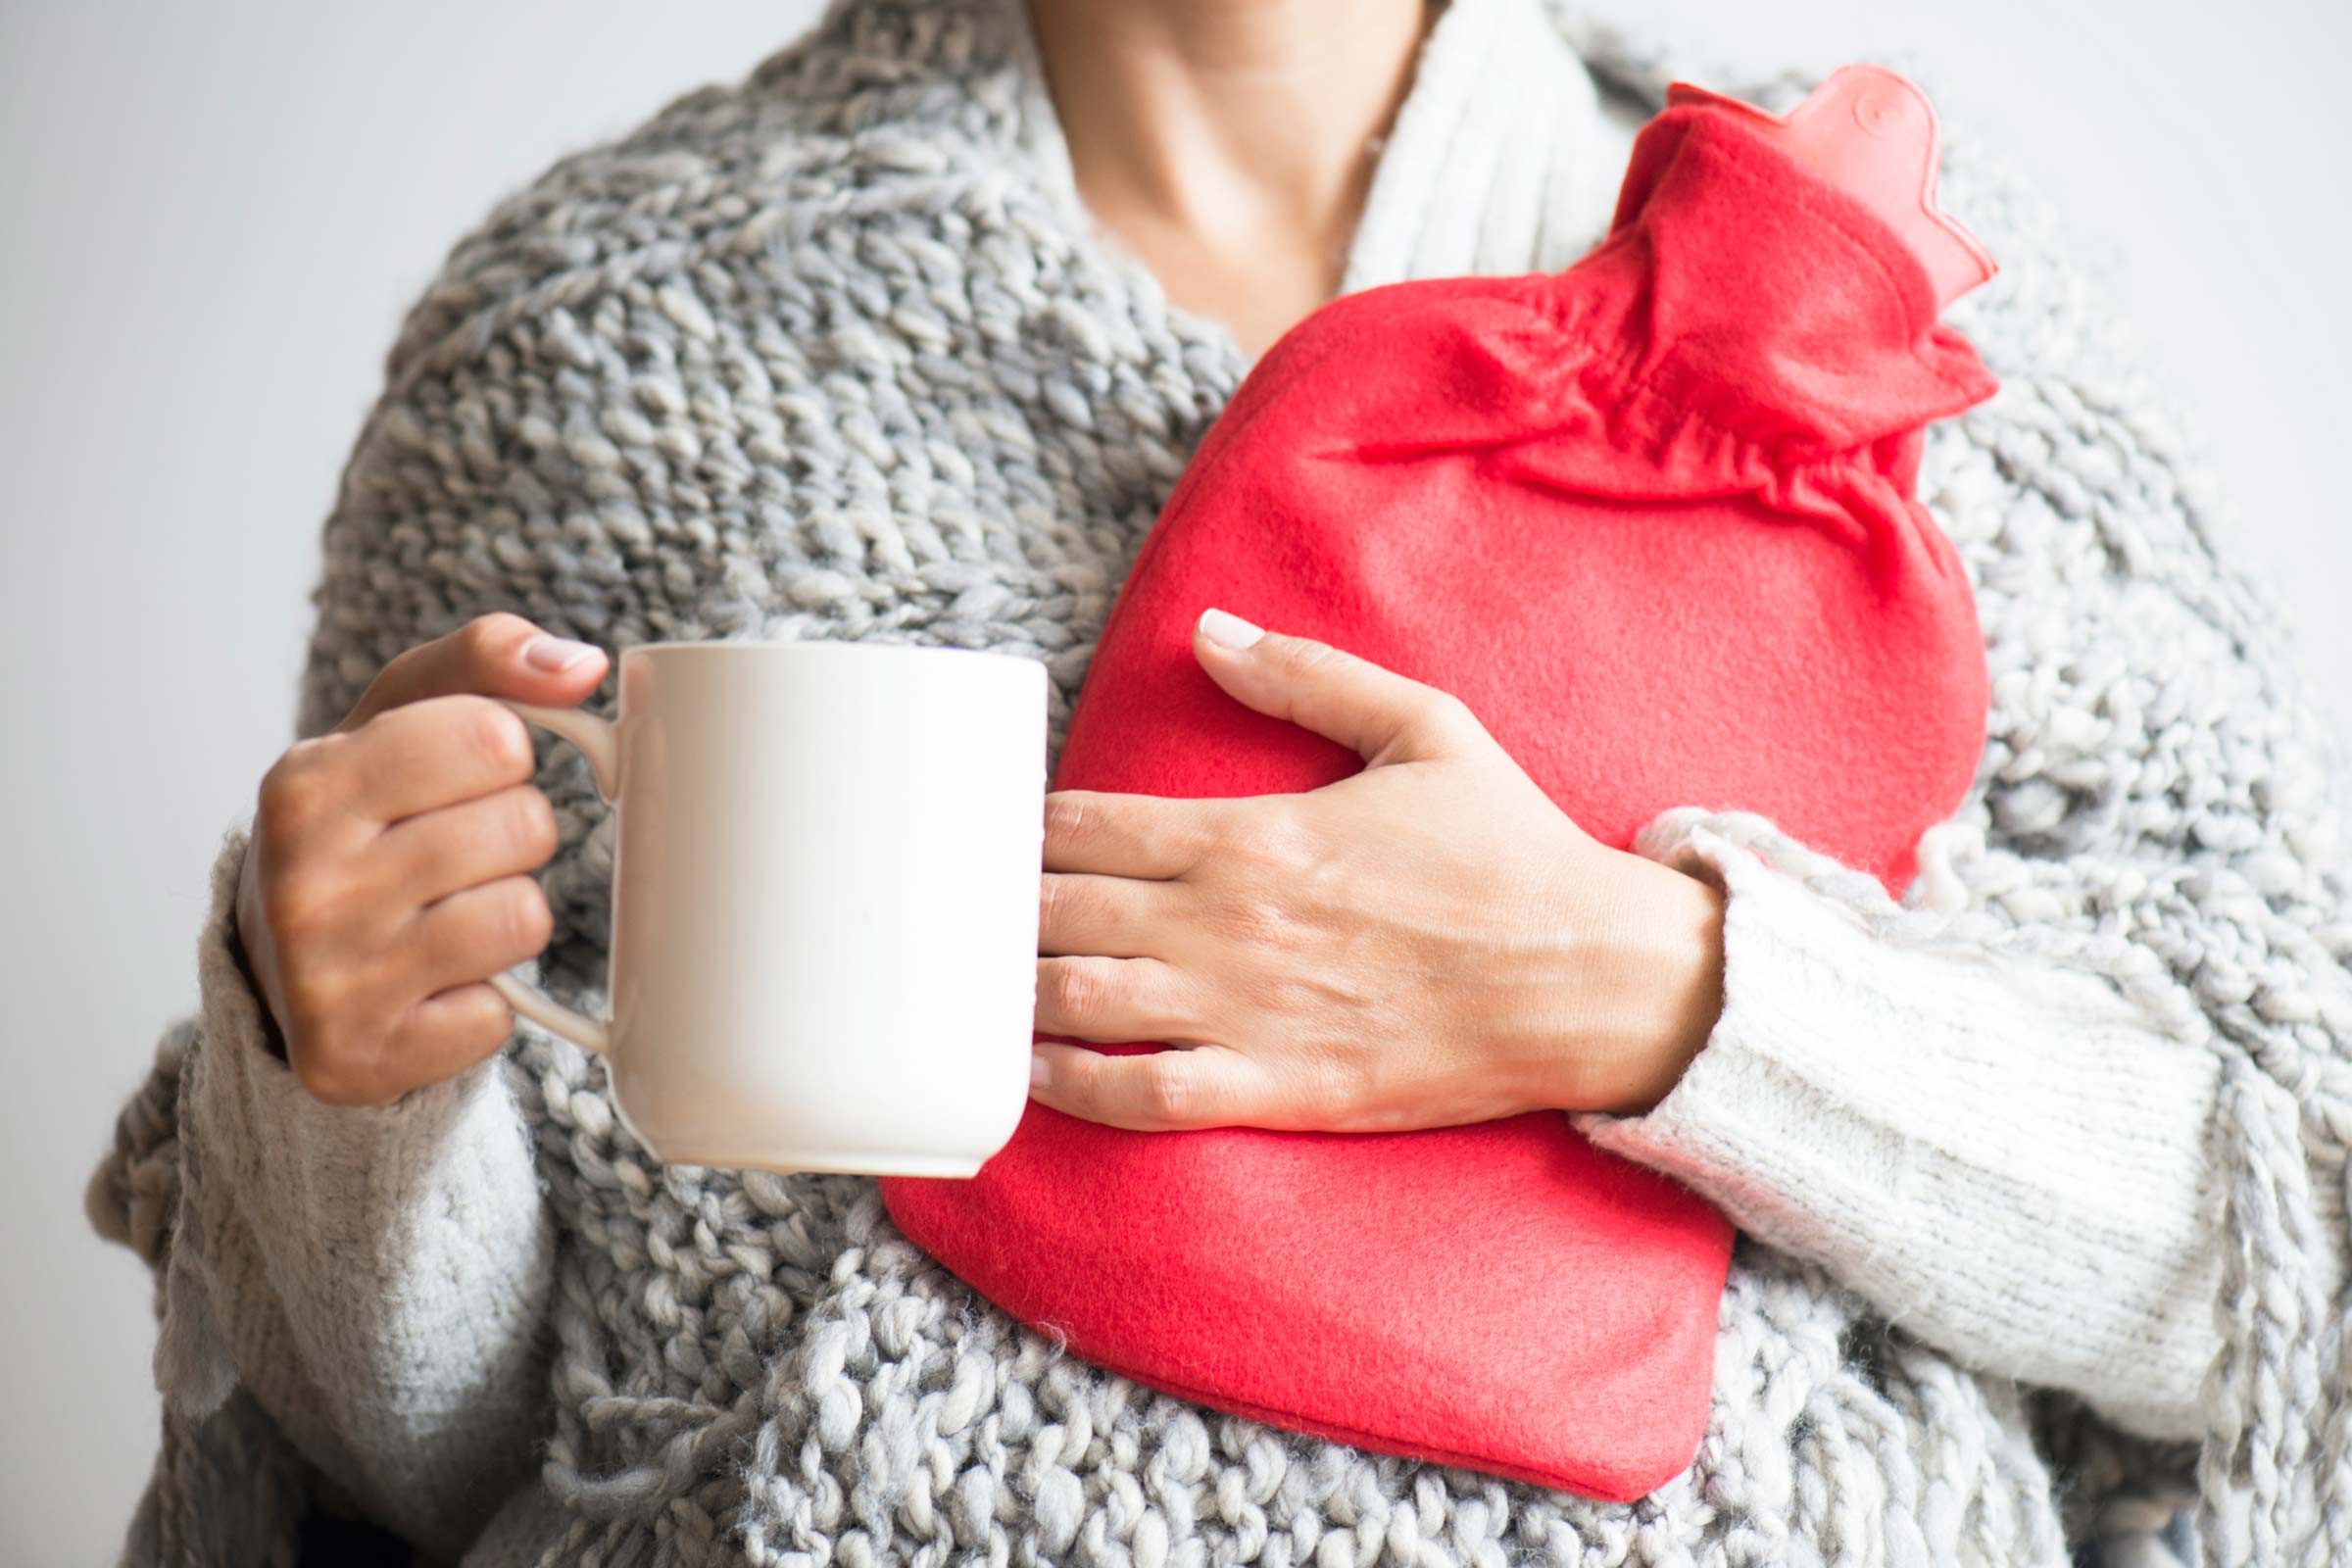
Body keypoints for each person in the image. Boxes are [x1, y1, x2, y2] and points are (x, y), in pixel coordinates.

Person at [84, 0, 2352, 1564]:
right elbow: (449, 1450)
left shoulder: (1907, 308)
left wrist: (1655, 993)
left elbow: (2284, 1241)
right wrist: (350, 1092)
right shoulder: (588, 347)